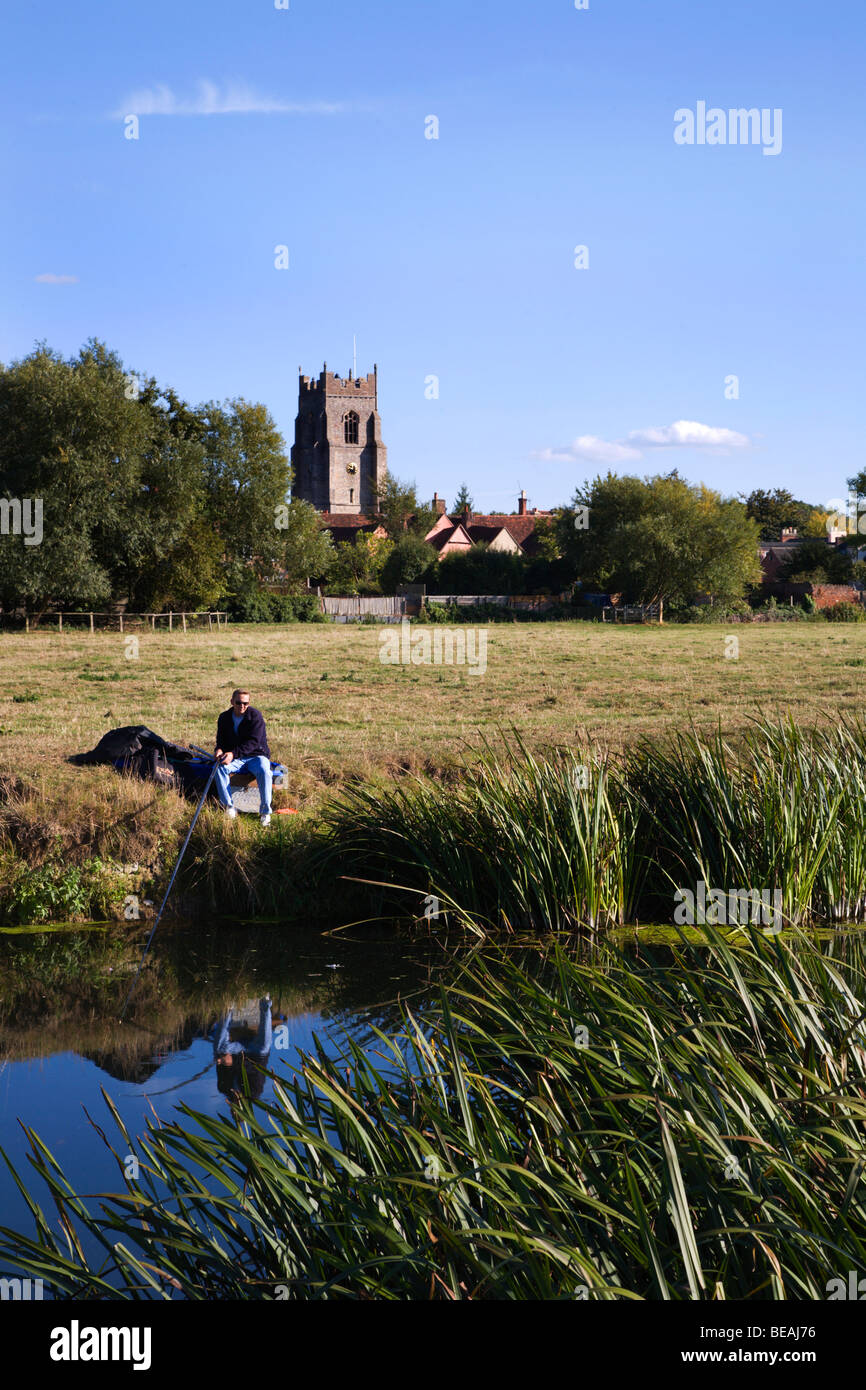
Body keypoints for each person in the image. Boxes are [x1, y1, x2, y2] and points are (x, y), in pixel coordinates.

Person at [214, 689, 272, 827]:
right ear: (232, 702)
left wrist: (232, 754)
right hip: (235, 757)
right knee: (219, 768)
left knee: (265, 770)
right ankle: (229, 807)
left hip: (256, 755)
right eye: (239, 702)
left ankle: (265, 812)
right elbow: (220, 740)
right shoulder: (224, 717)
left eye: (246, 703)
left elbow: (253, 742)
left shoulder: (256, 716)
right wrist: (219, 750)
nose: (242, 706)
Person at [211, 995, 273, 1104]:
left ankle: (228, 1008)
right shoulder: (255, 1092)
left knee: (219, 1048)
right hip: (256, 1054)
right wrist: (232, 1062)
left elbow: (221, 1064)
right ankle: (265, 1004)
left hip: (235, 1051)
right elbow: (255, 1068)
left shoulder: (223, 1087)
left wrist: (221, 1060)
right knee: (265, 1046)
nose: (236, 1103)